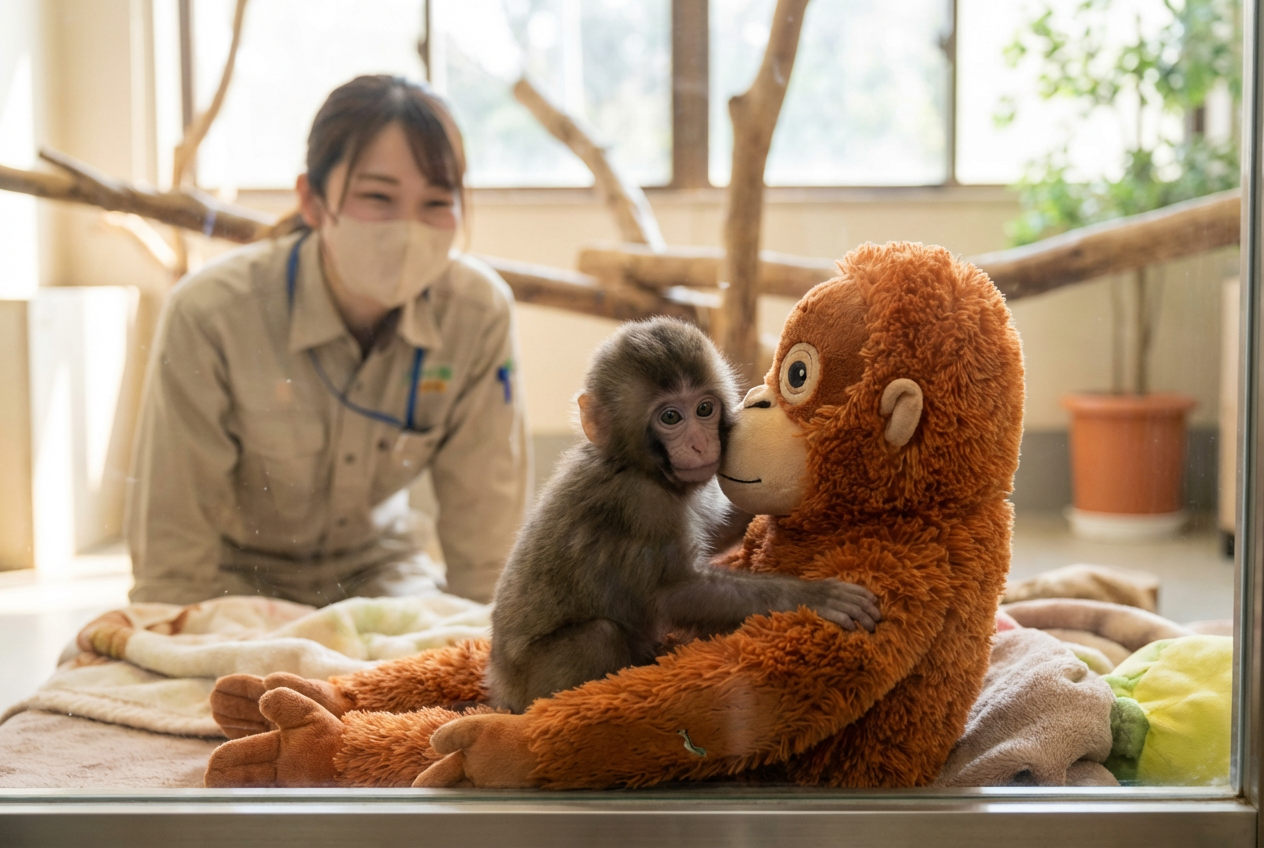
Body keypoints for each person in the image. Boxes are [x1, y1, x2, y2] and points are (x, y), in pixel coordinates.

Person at [126, 75, 530, 607]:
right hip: (233, 581)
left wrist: (485, 641)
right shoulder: (210, 315)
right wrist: (176, 634)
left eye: (436, 202)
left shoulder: (477, 315)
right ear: (312, 201)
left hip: (381, 575)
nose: (408, 229)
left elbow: (487, 548)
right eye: (378, 197)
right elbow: (172, 561)